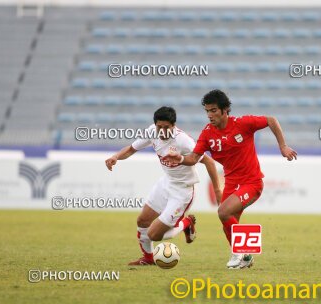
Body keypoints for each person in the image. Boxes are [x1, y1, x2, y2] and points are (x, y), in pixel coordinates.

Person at [163, 89, 297, 269]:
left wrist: (283, 146)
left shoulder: (242, 123)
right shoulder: (208, 133)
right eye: (207, 111)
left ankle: (242, 253)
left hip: (252, 182)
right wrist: (179, 158)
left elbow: (271, 120)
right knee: (228, 222)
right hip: (232, 183)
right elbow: (194, 158)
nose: (210, 115)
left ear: (225, 110)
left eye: (213, 111)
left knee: (223, 212)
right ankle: (245, 257)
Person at [105, 106, 222, 265]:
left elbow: (208, 161)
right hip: (166, 183)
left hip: (182, 191)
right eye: (160, 127)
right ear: (155, 125)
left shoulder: (183, 141)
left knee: (154, 235)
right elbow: (132, 149)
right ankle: (148, 258)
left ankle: (186, 223)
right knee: (142, 221)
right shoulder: (152, 132)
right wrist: (116, 157)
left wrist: (216, 189)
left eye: (167, 127)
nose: (163, 131)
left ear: (173, 126)